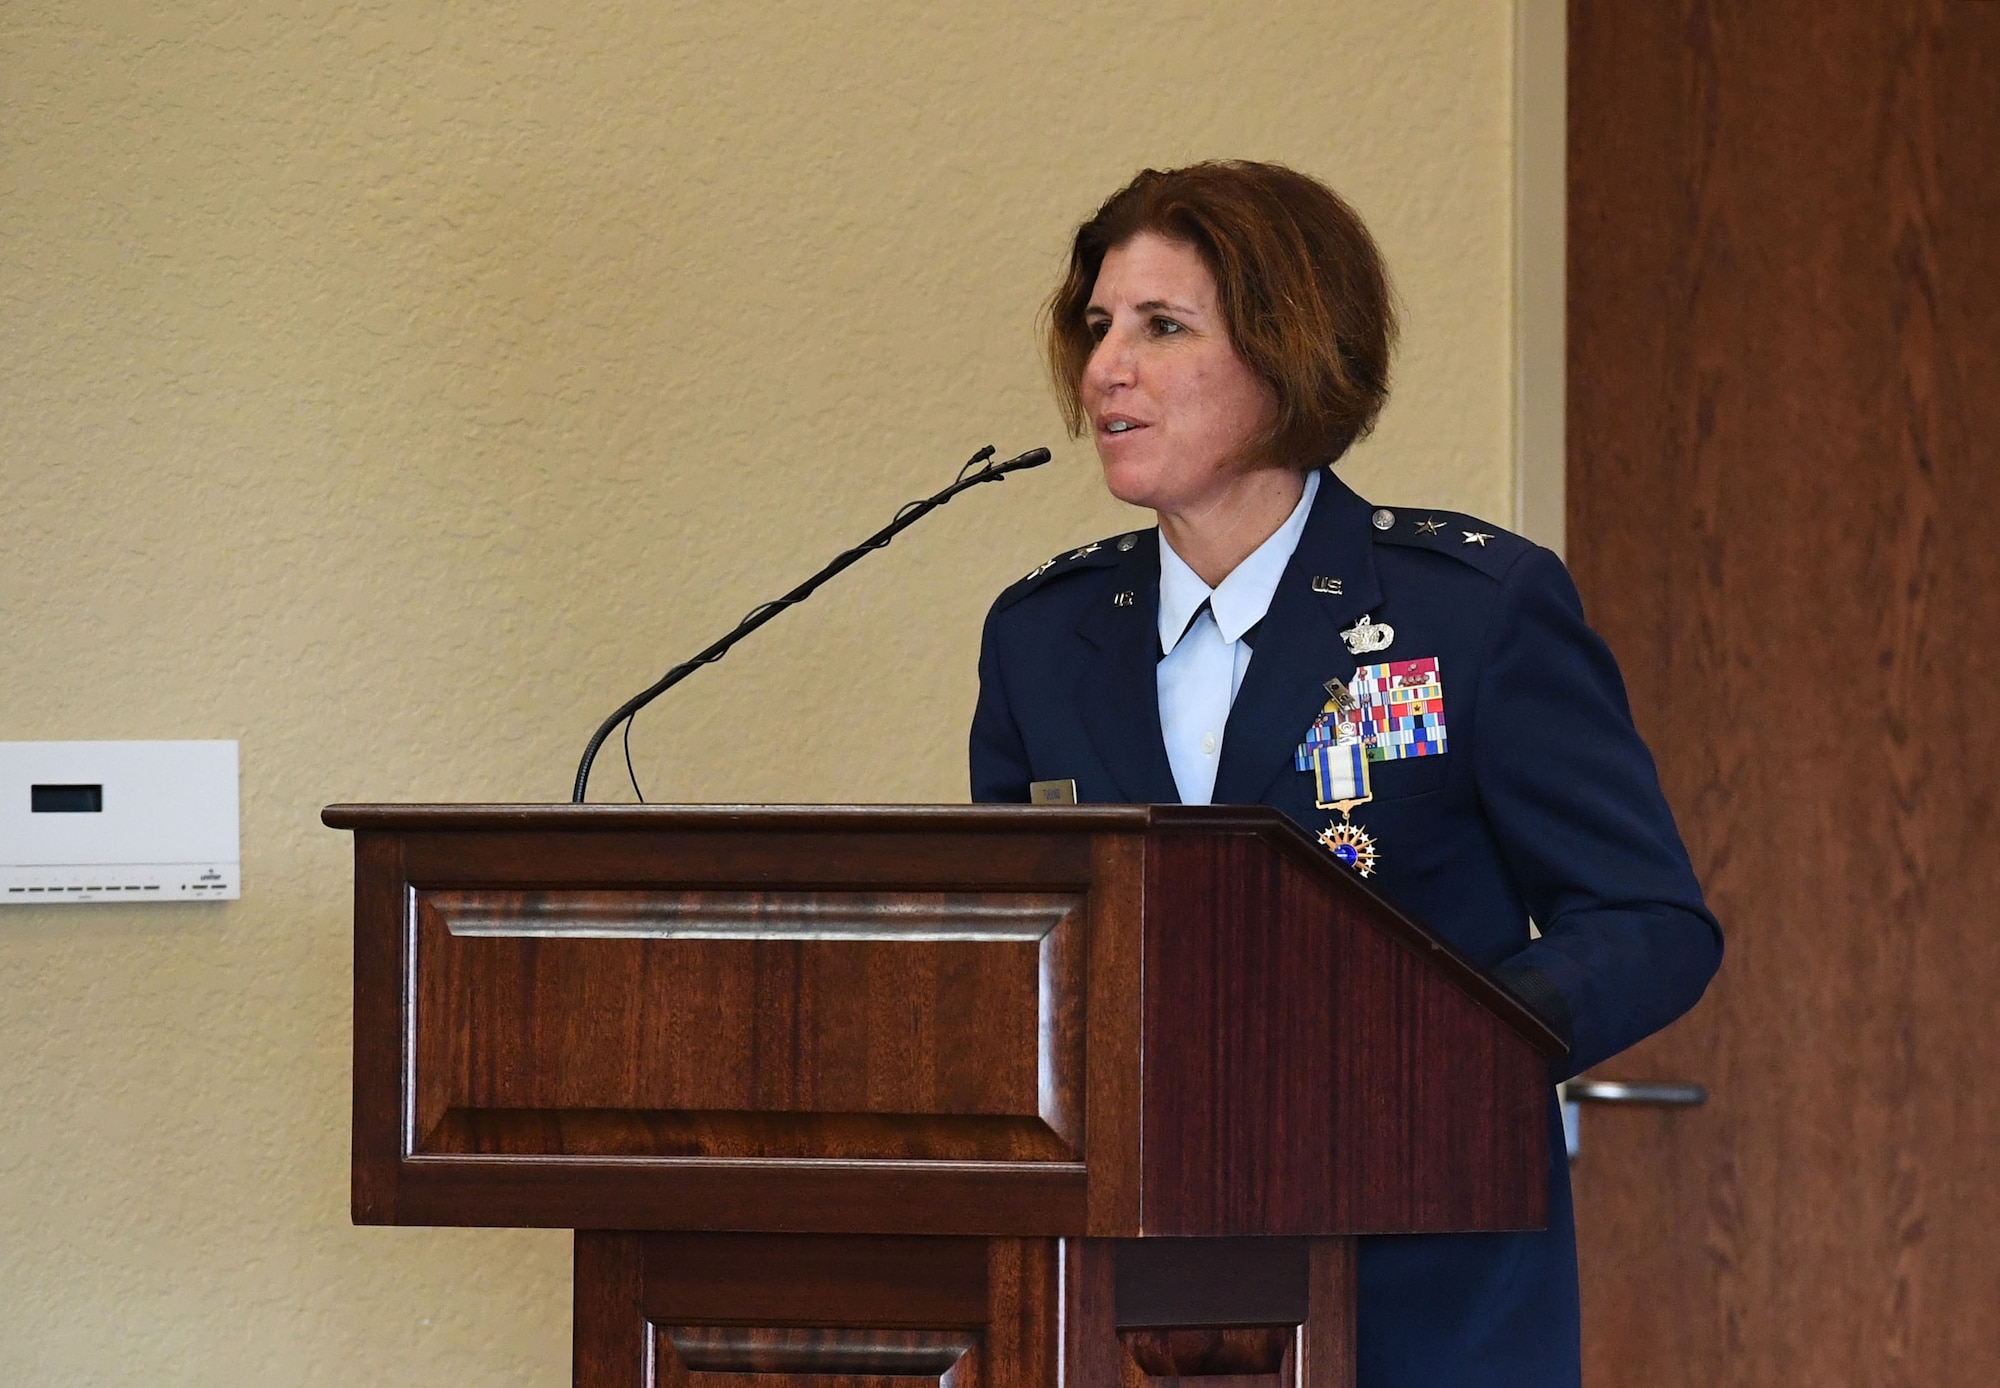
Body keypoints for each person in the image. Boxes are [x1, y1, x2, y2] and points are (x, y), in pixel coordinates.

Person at [968, 160, 1722, 1387]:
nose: (1107, 367)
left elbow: (1646, 921)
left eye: (1162, 327)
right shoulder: (1043, 635)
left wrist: (1439, 1042)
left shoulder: (1472, 611)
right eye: (1098, 326)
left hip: (1416, 1290)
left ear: (1288, 348)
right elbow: (1023, 953)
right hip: (1120, 1300)